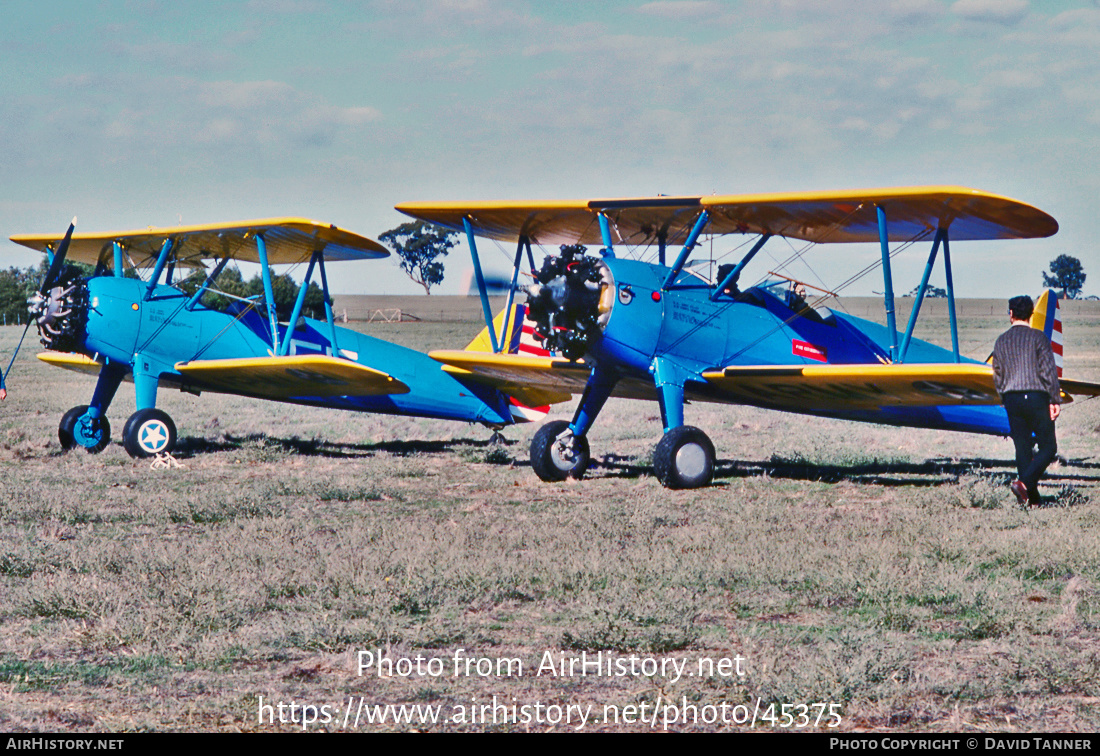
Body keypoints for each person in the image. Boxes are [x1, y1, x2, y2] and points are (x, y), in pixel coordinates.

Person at [991, 295, 1061, 506]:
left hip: (1012, 398)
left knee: (1022, 448)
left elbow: (997, 374)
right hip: (1036, 397)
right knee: (1048, 447)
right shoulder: (1039, 338)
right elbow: (1049, 371)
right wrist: (1055, 399)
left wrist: (1003, 395)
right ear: (1031, 315)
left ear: (1010, 314)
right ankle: (1024, 484)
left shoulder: (1001, 341)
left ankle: (1032, 500)